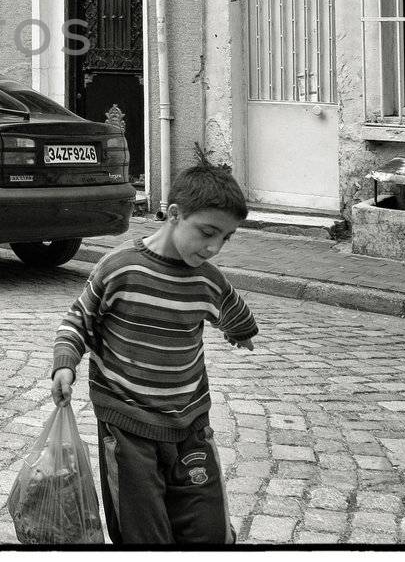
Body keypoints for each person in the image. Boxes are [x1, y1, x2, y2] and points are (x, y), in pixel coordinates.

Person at [50, 152, 258, 545]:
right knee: (142, 533)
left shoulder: (208, 281)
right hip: (126, 424)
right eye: (208, 232)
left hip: (190, 424)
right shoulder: (119, 268)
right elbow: (79, 317)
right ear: (175, 214)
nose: (214, 247)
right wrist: (65, 363)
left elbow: (233, 310)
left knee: (209, 531)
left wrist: (240, 331)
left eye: (225, 238)